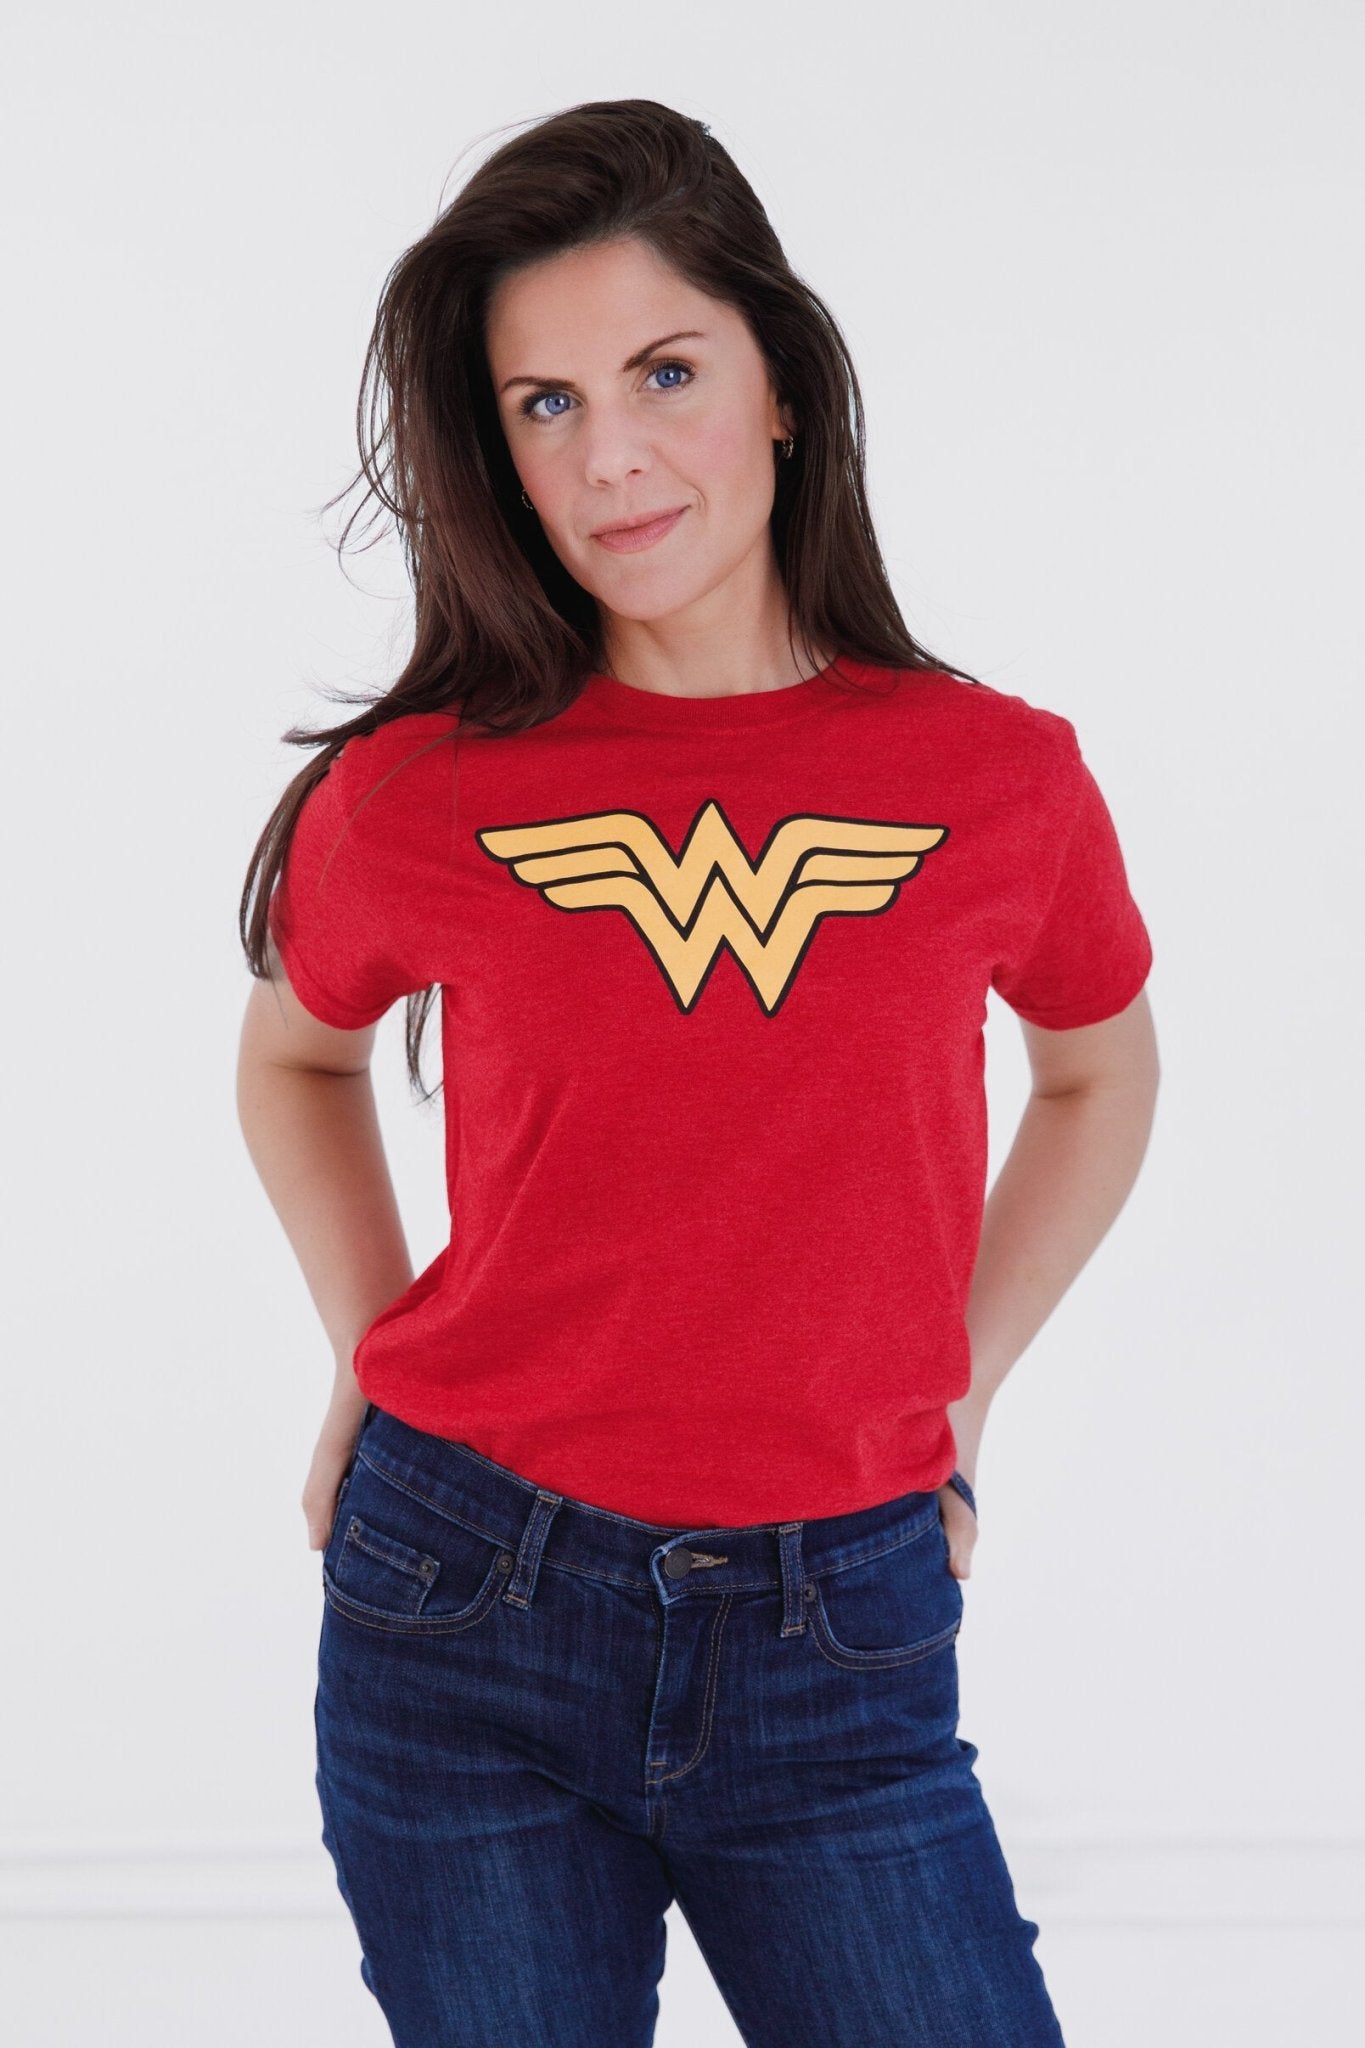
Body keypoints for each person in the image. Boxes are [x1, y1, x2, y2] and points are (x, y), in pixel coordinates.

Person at [237, 98, 1158, 2048]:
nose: (611, 455)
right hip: (459, 1605)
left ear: (784, 386)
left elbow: (1093, 1077)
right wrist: (368, 1338)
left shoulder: (993, 777)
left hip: (842, 1634)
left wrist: (960, 1384)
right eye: (545, 404)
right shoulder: (416, 793)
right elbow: (298, 1057)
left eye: (665, 372)